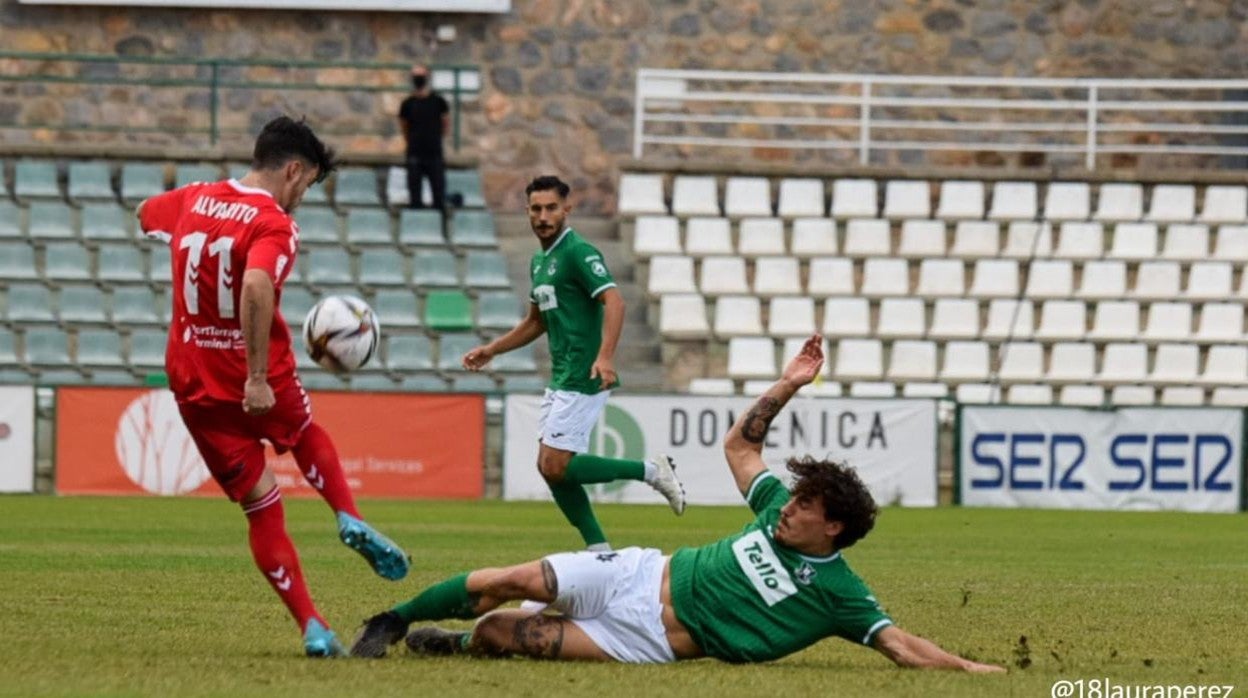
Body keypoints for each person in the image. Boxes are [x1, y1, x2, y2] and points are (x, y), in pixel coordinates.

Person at [352, 334, 1005, 672]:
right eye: (793, 498)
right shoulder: (773, 510)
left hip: (645, 641)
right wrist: (787, 385)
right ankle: (390, 622)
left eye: (804, 505)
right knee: (512, 580)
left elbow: (900, 646)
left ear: (831, 525)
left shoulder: (840, 593)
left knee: (498, 634)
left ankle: (456, 648)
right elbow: (740, 448)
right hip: (636, 572)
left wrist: (974, 668)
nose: (786, 507)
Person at [137, 116, 411, 658]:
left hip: (194, 383)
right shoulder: (274, 223)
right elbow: (258, 282)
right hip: (253, 377)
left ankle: (312, 625)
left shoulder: (196, 198)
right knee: (305, 432)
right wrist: (257, 377)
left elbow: (144, 214)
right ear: (292, 169)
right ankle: (347, 514)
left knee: (262, 508)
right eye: (306, 185)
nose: (302, 197)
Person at [461, 175, 686, 551]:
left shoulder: (579, 252)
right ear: (527, 212)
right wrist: (493, 349)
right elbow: (536, 322)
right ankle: (599, 550)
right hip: (562, 374)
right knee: (549, 467)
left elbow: (615, 301)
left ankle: (650, 471)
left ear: (567, 208)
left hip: (585, 372)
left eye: (551, 208)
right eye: (536, 208)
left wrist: (605, 355)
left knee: (557, 465)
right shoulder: (540, 261)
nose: (543, 216)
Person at [397, 63, 449, 211]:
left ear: (427, 77)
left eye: (420, 75)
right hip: (414, 154)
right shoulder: (407, 104)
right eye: (415, 76)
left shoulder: (439, 102)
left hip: (434, 154)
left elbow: (445, 124)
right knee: (415, 198)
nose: (418, 79)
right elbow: (404, 127)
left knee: (439, 196)